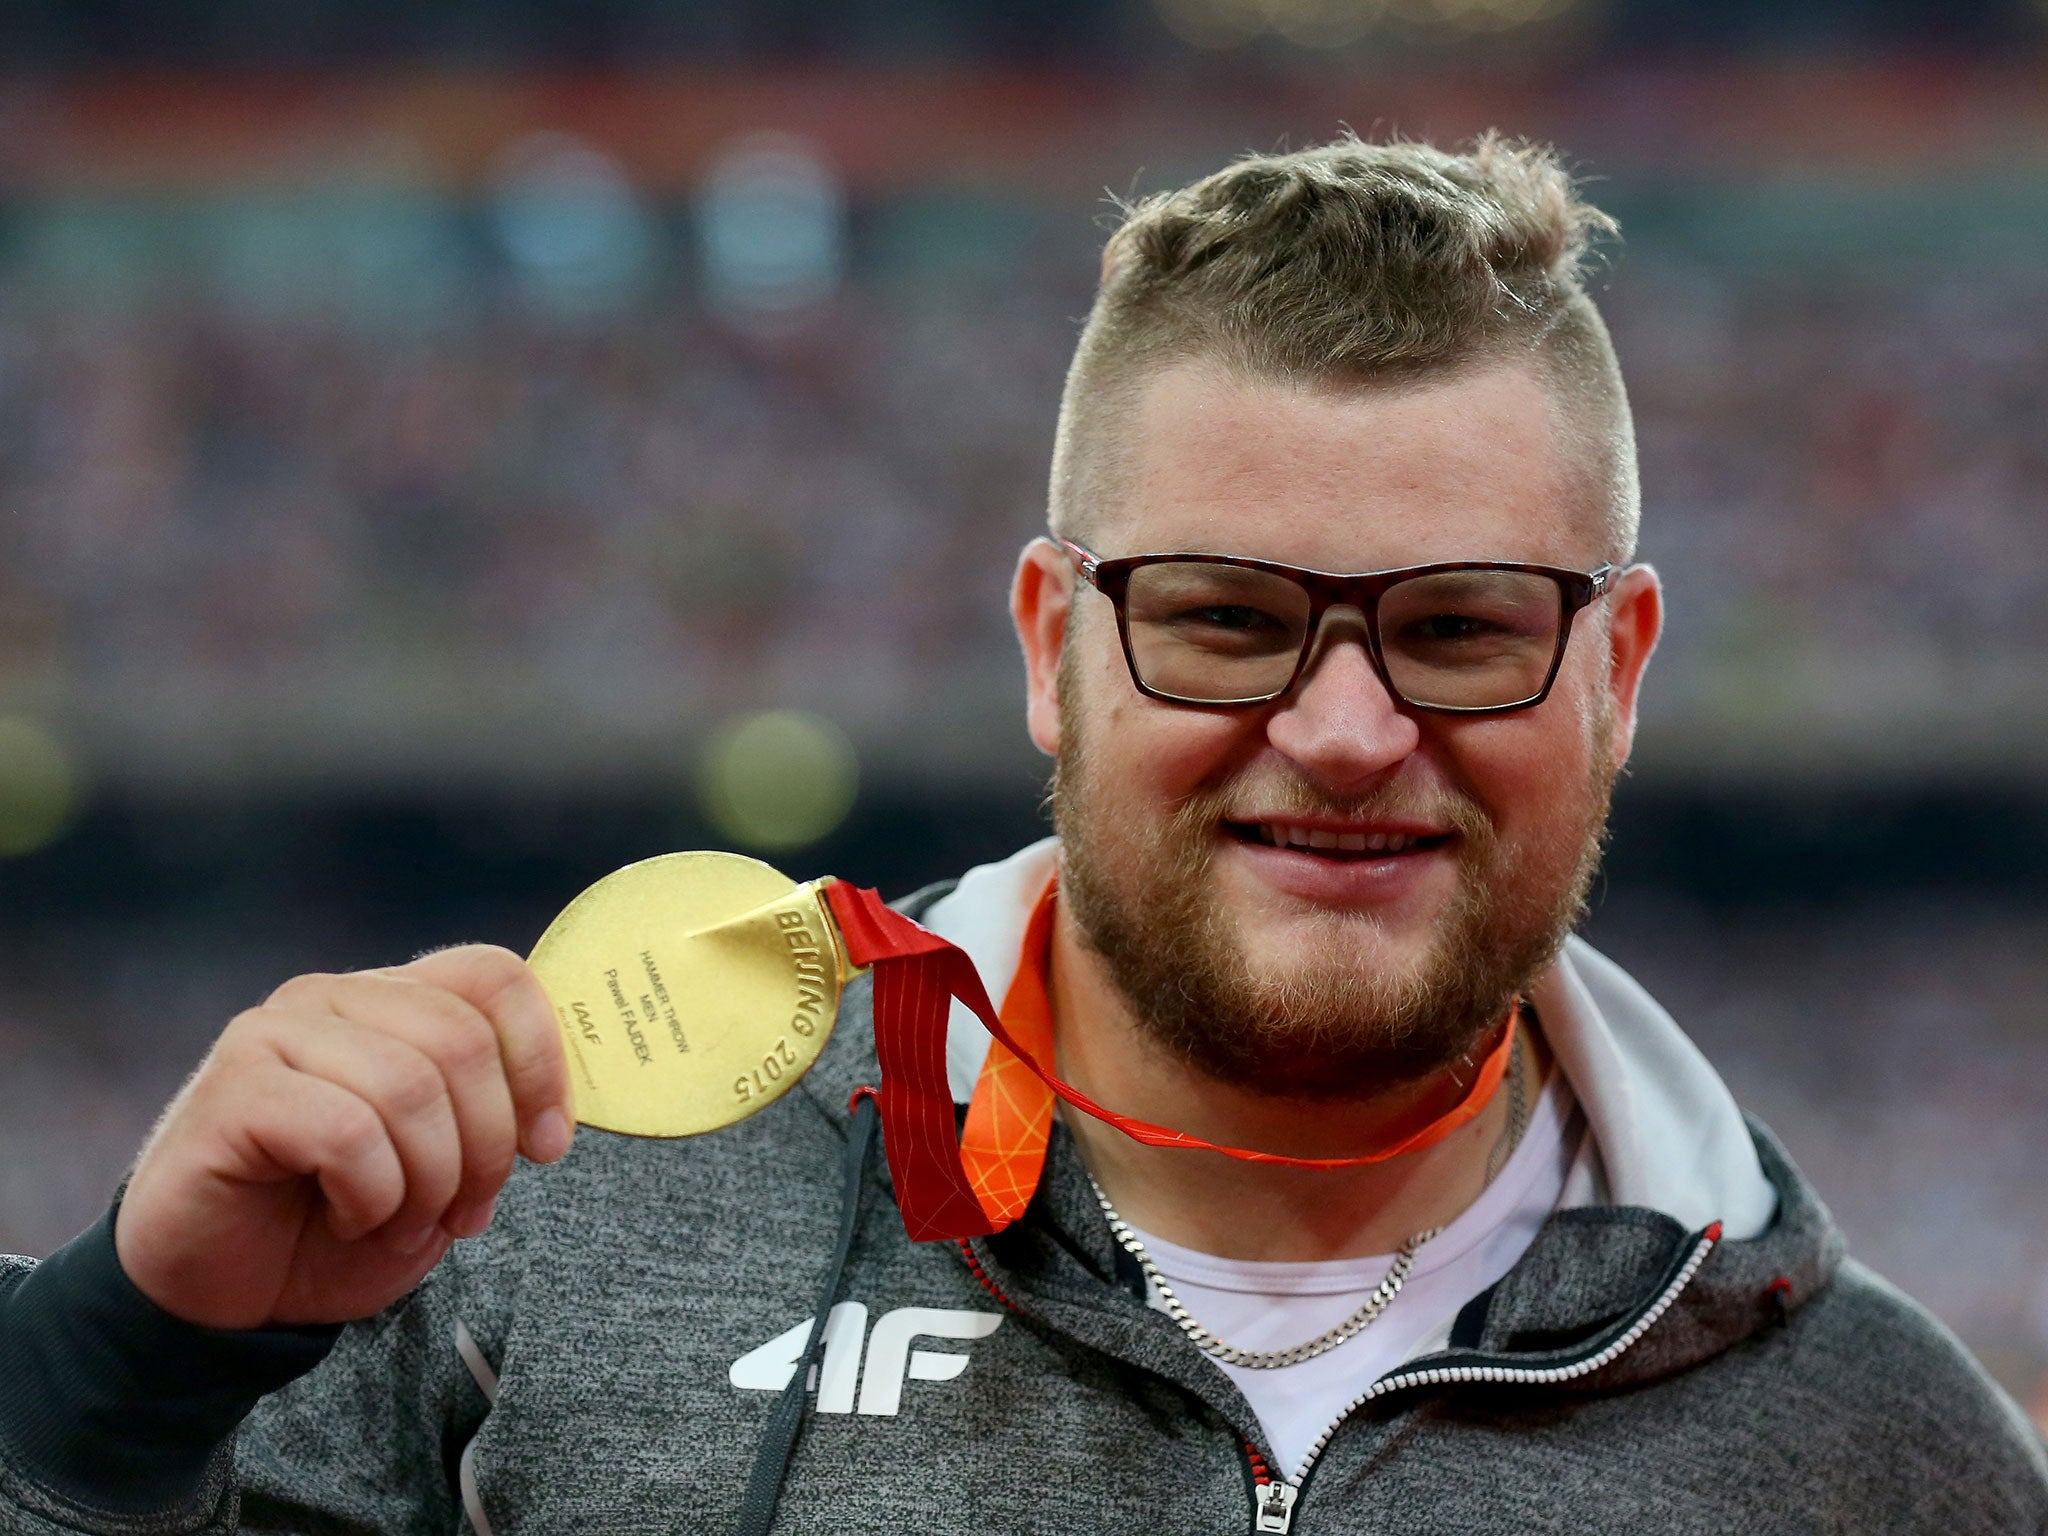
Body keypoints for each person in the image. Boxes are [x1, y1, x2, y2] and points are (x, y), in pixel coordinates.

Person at [2, 132, 2044, 1536]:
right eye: (1227, 619)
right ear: (1053, 644)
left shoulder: (1884, 1448)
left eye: (1460, 630)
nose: (1343, 731)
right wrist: (115, 1363)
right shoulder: (538, 1225)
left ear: (1618, 668)